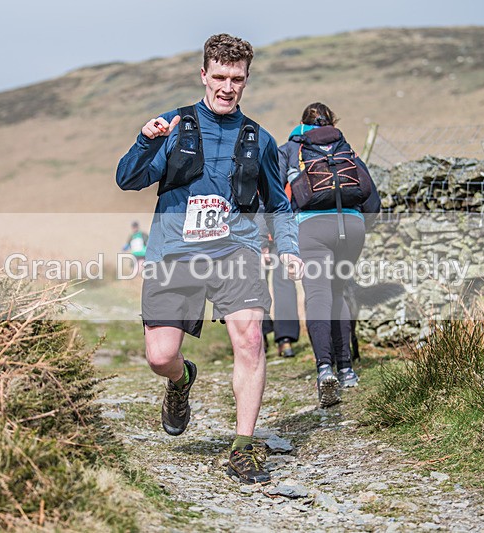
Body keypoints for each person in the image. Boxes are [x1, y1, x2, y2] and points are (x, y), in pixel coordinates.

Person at [116, 34, 302, 484]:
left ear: (246, 80)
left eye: (236, 79)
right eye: (219, 76)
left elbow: (278, 204)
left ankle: (243, 446)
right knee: (161, 356)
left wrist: (290, 248)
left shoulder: (259, 138)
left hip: (235, 250)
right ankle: (180, 382)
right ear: (203, 75)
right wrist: (144, 140)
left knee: (251, 340)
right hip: (173, 252)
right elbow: (127, 179)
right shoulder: (173, 125)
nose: (227, 86)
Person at [278, 102, 378, 408]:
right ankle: (347, 370)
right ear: (331, 121)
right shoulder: (345, 148)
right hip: (352, 227)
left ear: (302, 123)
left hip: (311, 229)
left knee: (317, 296)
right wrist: (359, 222)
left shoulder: (291, 149)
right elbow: (373, 200)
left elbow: (275, 193)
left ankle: (324, 370)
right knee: (339, 293)